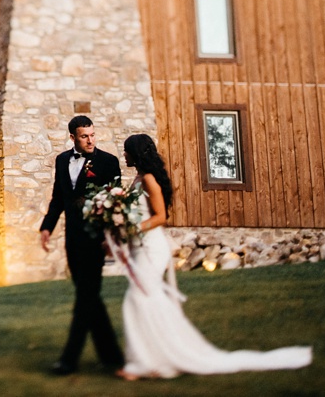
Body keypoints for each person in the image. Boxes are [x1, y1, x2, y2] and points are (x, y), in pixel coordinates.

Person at [116, 133, 313, 380]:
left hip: (151, 248)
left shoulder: (149, 180)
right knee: (144, 299)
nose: (124, 154)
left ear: (136, 153)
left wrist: (134, 228)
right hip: (139, 247)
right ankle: (153, 358)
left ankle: (153, 360)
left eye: (126, 150)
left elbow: (160, 217)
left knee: (139, 298)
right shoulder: (138, 179)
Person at [39, 115, 125, 375]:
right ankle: (112, 357)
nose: (90, 140)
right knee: (90, 298)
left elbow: (116, 203)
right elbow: (58, 197)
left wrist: (110, 238)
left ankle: (69, 359)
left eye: (93, 135)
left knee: (85, 299)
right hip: (72, 239)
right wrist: (46, 227)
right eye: (85, 136)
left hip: (96, 240)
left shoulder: (108, 162)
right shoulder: (62, 160)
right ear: (73, 137)